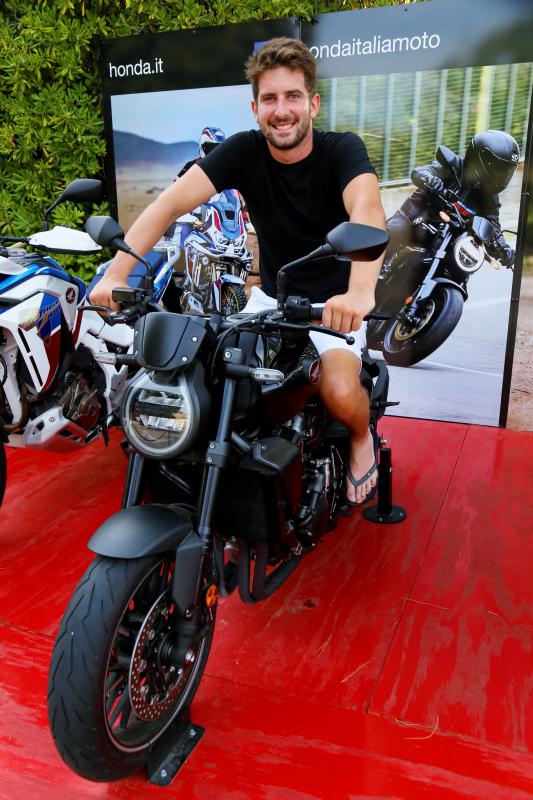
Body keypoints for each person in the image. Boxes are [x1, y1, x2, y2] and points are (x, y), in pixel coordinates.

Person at [90, 37, 387, 507]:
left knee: (337, 389)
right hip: (270, 299)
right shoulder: (244, 151)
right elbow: (169, 204)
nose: (282, 110)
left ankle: (359, 438)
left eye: (293, 97)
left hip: (331, 306)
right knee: (212, 372)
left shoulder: (341, 150)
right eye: (270, 99)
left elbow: (367, 209)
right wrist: (116, 274)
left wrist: (359, 292)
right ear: (255, 108)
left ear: (312, 103)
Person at [386, 130, 519, 266]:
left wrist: (505, 249)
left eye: (505, 171)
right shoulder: (453, 166)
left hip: (448, 240)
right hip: (415, 221)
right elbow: (419, 172)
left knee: (459, 267)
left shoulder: (489, 196)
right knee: (395, 231)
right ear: (481, 159)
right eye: (497, 170)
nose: (500, 176)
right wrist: (432, 181)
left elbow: (493, 227)